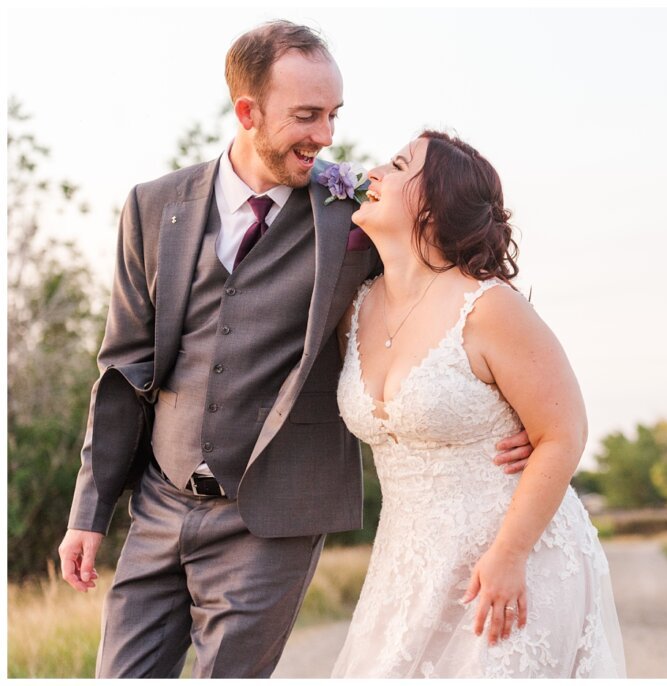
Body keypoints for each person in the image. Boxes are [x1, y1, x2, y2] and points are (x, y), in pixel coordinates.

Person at [56, 22, 532, 678]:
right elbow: (123, 369)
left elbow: (452, 274)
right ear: (247, 112)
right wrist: (89, 511)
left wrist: (511, 412)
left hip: (270, 519)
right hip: (159, 505)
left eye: (334, 115)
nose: (326, 136)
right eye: (306, 116)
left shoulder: (356, 207)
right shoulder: (152, 206)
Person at [330, 131, 626, 678]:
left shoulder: (488, 307)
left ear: (433, 206)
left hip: (517, 561)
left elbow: (564, 433)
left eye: (397, 166)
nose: (373, 172)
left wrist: (510, 555)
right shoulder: (354, 309)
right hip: (409, 566)